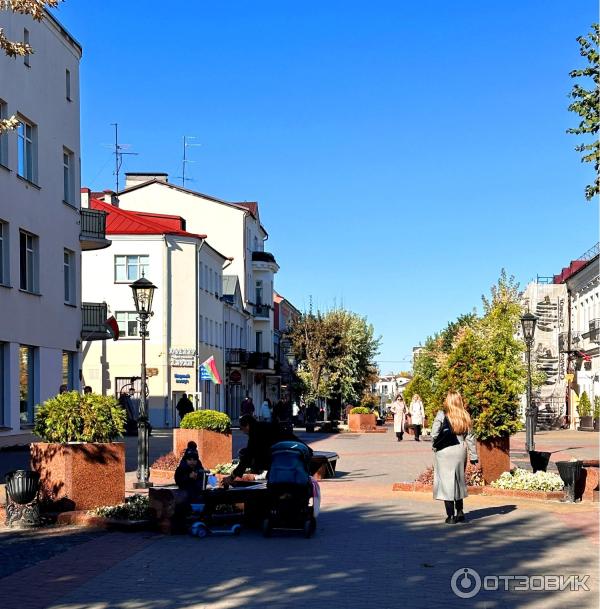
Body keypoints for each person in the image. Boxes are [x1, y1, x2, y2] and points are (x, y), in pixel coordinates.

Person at [431, 391, 478, 524]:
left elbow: (434, 434)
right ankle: (461, 512)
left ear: (448, 401)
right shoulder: (465, 415)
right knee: (458, 480)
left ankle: (450, 516)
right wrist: (474, 455)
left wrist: (435, 447)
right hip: (460, 450)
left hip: (444, 451)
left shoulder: (442, 414)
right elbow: (470, 438)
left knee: (446, 482)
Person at [222, 415, 310, 484]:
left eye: (242, 429)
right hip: (300, 449)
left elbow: (248, 456)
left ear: (247, 425)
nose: (243, 432)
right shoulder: (262, 426)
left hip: (293, 453)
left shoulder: (255, 433)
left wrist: (232, 476)